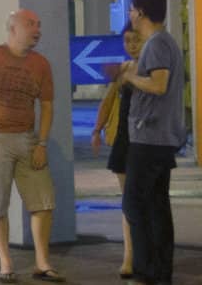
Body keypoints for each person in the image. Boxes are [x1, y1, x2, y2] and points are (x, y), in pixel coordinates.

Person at [0, 9, 62, 282]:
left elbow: (46, 105)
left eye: (39, 24)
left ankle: (42, 262)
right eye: (31, 24)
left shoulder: (41, 64)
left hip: (27, 138)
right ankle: (5, 263)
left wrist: (42, 142)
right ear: (13, 29)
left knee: (43, 201)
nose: (37, 29)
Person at [122, 0, 186, 285]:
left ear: (142, 12)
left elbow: (159, 85)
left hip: (150, 138)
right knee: (156, 204)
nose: (130, 14)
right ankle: (160, 270)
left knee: (136, 203)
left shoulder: (157, 44)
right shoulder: (165, 43)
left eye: (132, 9)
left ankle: (147, 269)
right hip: (159, 138)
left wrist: (130, 76)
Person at [91, 23, 144, 279]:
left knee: (144, 201)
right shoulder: (123, 70)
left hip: (145, 143)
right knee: (128, 202)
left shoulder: (152, 69)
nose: (132, 45)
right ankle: (129, 256)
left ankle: (142, 254)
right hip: (123, 142)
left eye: (137, 39)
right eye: (127, 40)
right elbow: (108, 100)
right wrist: (97, 130)